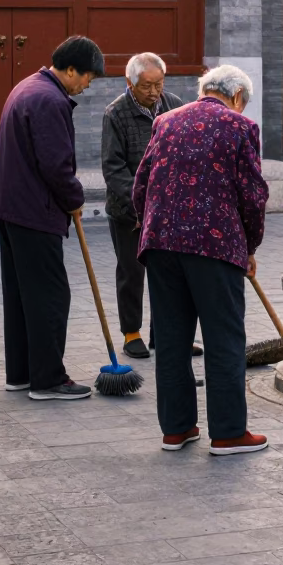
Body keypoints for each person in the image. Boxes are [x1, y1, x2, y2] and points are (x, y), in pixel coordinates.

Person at [133, 64, 269, 455]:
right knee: (223, 337)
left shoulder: (164, 121)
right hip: (214, 244)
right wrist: (250, 247)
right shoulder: (240, 127)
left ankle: (176, 429)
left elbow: (141, 184)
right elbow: (253, 196)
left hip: (161, 244)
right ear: (238, 96)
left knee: (171, 339)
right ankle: (227, 433)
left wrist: (149, 227)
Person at [0, 36, 106, 400]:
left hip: (10, 205)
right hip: (33, 209)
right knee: (50, 295)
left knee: (22, 294)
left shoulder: (28, 87)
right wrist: (74, 199)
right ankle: (48, 379)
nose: (87, 85)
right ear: (71, 70)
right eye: (88, 77)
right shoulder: (50, 100)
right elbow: (55, 165)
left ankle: (22, 374)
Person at [101, 52, 183, 359]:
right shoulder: (116, 113)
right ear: (130, 82)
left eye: (158, 84)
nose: (153, 92)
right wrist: (139, 204)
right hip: (129, 212)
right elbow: (113, 168)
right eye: (146, 86)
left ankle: (165, 333)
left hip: (166, 209)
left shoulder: (175, 105)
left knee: (169, 273)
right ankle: (131, 332)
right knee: (131, 273)